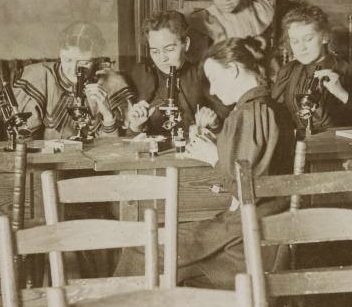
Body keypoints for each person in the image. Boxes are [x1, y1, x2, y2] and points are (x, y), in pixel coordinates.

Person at [115, 37, 296, 289]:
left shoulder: (250, 112)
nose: (211, 91)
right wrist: (220, 146)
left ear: (232, 70)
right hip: (261, 227)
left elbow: (247, 191)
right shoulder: (270, 107)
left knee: (142, 247)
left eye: (213, 80)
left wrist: (213, 157)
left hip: (246, 238)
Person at [11, 21, 130, 139]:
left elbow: (111, 148)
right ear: (60, 53)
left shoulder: (112, 82)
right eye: (67, 60)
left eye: (84, 63)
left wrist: (108, 115)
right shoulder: (38, 77)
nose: (74, 70)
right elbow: (22, 140)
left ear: (97, 59)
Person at [125, 10, 227, 136]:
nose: (162, 59)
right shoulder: (143, 78)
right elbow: (129, 144)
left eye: (169, 49)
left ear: (186, 44)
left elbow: (229, 129)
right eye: (155, 52)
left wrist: (215, 124)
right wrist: (135, 126)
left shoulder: (205, 75)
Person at [271, 5, 352, 134]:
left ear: (324, 37)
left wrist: (341, 93)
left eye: (308, 39)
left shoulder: (349, 70)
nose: (301, 48)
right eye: (295, 41)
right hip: (298, 147)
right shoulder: (288, 71)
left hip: (339, 148)